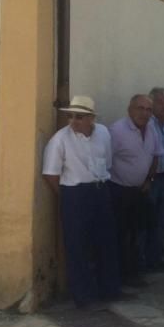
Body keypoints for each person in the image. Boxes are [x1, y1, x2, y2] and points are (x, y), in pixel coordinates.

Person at [42, 96, 122, 308]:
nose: (73, 121)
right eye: (70, 116)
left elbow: (108, 160)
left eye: (79, 117)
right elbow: (51, 174)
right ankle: (83, 296)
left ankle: (109, 289)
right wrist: (69, 196)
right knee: (77, 246)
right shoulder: (60, 140)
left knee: (106, 241)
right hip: (75, 193)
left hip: (100, 189)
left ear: (91, 119)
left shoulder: (103, 133)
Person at [109, 94, 164, 288]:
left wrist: (149, 179)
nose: (145, 113)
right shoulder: (117, 131)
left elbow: (156, 155)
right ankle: (119, 276)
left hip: (140, 191)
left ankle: (133, 273)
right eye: (140, 108)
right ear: (130, 109)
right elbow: (106, 161)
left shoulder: (151, 129)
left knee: (137, 232)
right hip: (119, 190)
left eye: (148, 110)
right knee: (120, 234)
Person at [142, 87, 164, 273]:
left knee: (161, 222)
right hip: (150, 179)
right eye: (161, 103)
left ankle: (157, 259)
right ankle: (143, 261)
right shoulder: (147, 124)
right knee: (147, 221)